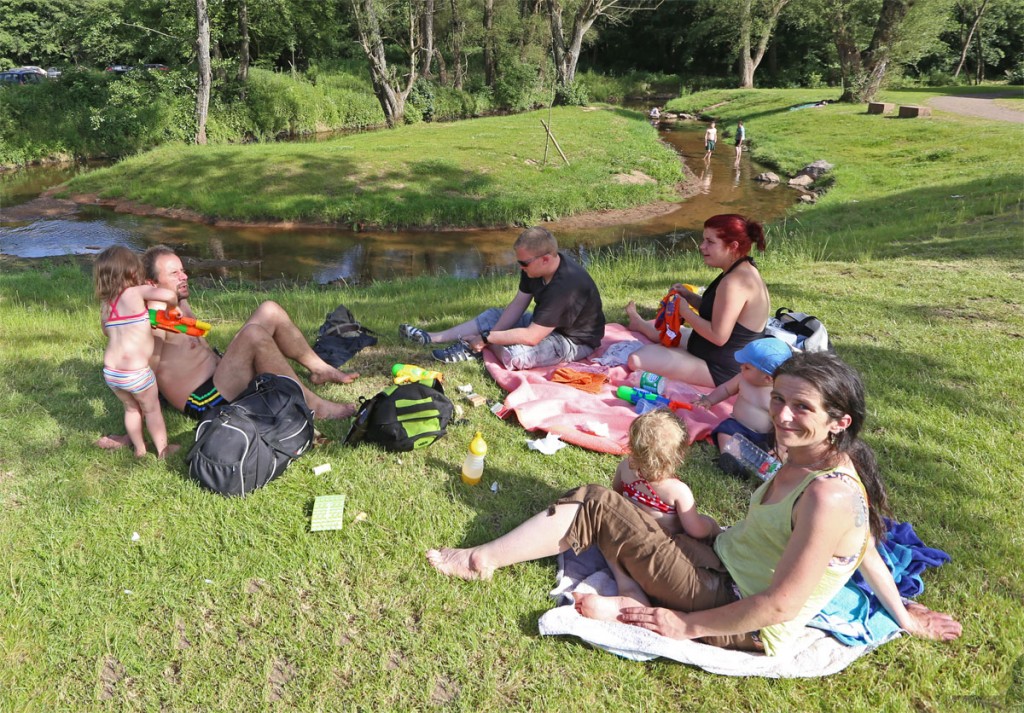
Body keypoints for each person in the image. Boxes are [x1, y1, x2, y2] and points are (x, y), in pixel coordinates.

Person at [427, 351, 962, 656]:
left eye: (802, 407)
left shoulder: (828, 495)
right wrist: (903, 614)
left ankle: (481, 561)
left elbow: (780, 606)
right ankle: (619, 581)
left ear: (839, 422)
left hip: (727, 603)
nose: (782, 416)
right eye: (779, 400)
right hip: (718, 562)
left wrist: (684, 628)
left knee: (594, 500)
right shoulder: (817, 462)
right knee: (621, 509)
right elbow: (866, 549)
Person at [96, 246, 359, 450]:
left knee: (269, 310)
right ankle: (315, 407)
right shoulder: (155, 315)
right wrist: (131, 433)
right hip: (203, 399)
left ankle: (319, 369)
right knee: (254, 335)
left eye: (183, 270)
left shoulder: (178, 301)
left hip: (219, 374)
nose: (184, 276)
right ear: (150, 285)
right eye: (174, 274)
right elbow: (143, 370)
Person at [398, 227, 605, 369]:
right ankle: (432, 337)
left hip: (573, 340)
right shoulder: (533, 269)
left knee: (516, 356)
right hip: (544, 326)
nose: (520, 267)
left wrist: (487, 338)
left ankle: (475, 347)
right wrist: (493, 332)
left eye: (524, 263)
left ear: (545, 259)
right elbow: (518, 305)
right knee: (493, 316)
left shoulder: (566, 286)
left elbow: (532, 337)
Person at [625, 214, 770, 388]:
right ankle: (638, 323)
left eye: (710, 242)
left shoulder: (735, 282)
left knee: (637, 358)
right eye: (703, 240)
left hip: (723, 370)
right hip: (712, 351)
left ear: (732, 246)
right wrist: (689, 296)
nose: (702, 247)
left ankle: (644, 330)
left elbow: (718, 337)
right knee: (667, 333)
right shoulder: (741, 268)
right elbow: (720, 312)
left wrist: (685, 311)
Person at [94, 246, 179, 458]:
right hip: (137, 372)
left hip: (112, 373)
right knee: (151, 409)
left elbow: (106, 331)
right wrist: (172, 306)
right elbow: (167, 294)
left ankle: (140, 450)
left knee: (131, 409)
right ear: (133, 272)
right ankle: (163, 450)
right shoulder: (136, 292)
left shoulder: (107, 304)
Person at [693, 337, 792, 474]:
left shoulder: (778, 396)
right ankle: (732, 460)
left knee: (779, 449)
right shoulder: (742, 379)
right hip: (738, 426)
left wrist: (780, 447)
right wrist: (709, 400)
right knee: (724, 432)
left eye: (747, 367)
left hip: (767, 435)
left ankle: (769, 455)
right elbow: (725, 389)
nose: (741, 367)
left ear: (768, 378)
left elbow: (784, 423)